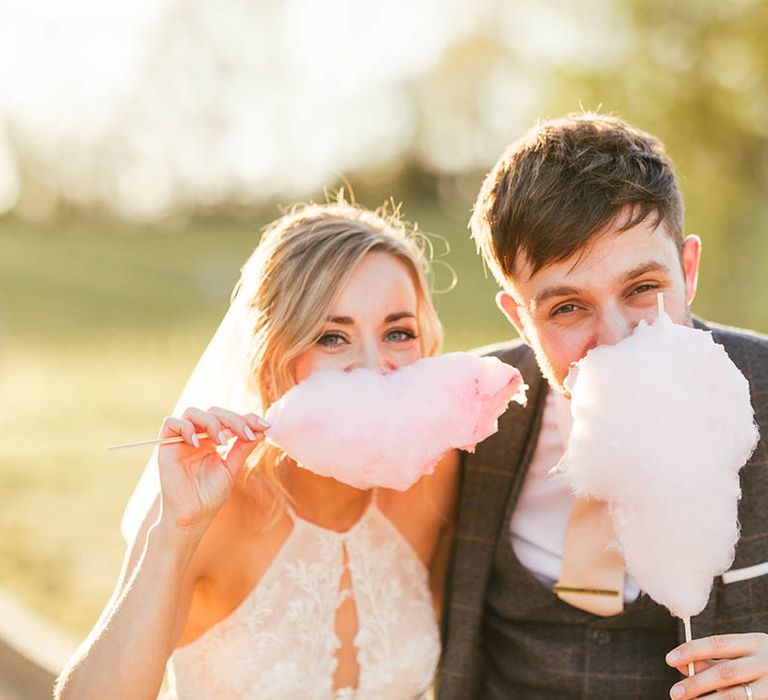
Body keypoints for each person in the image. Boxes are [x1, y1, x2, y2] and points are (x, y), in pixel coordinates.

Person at [55, 201, 459, 700]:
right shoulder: (208, 511)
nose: (374, 367)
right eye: (333, 337)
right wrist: (173, 535)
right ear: (273, 363)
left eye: (398, 333)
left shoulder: (440, 480)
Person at [438, 113, 768, 699]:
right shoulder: (465, 410)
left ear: (687, 271)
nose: (614, 340)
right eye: (567, 307)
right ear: (519, 318)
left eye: (643, 289)